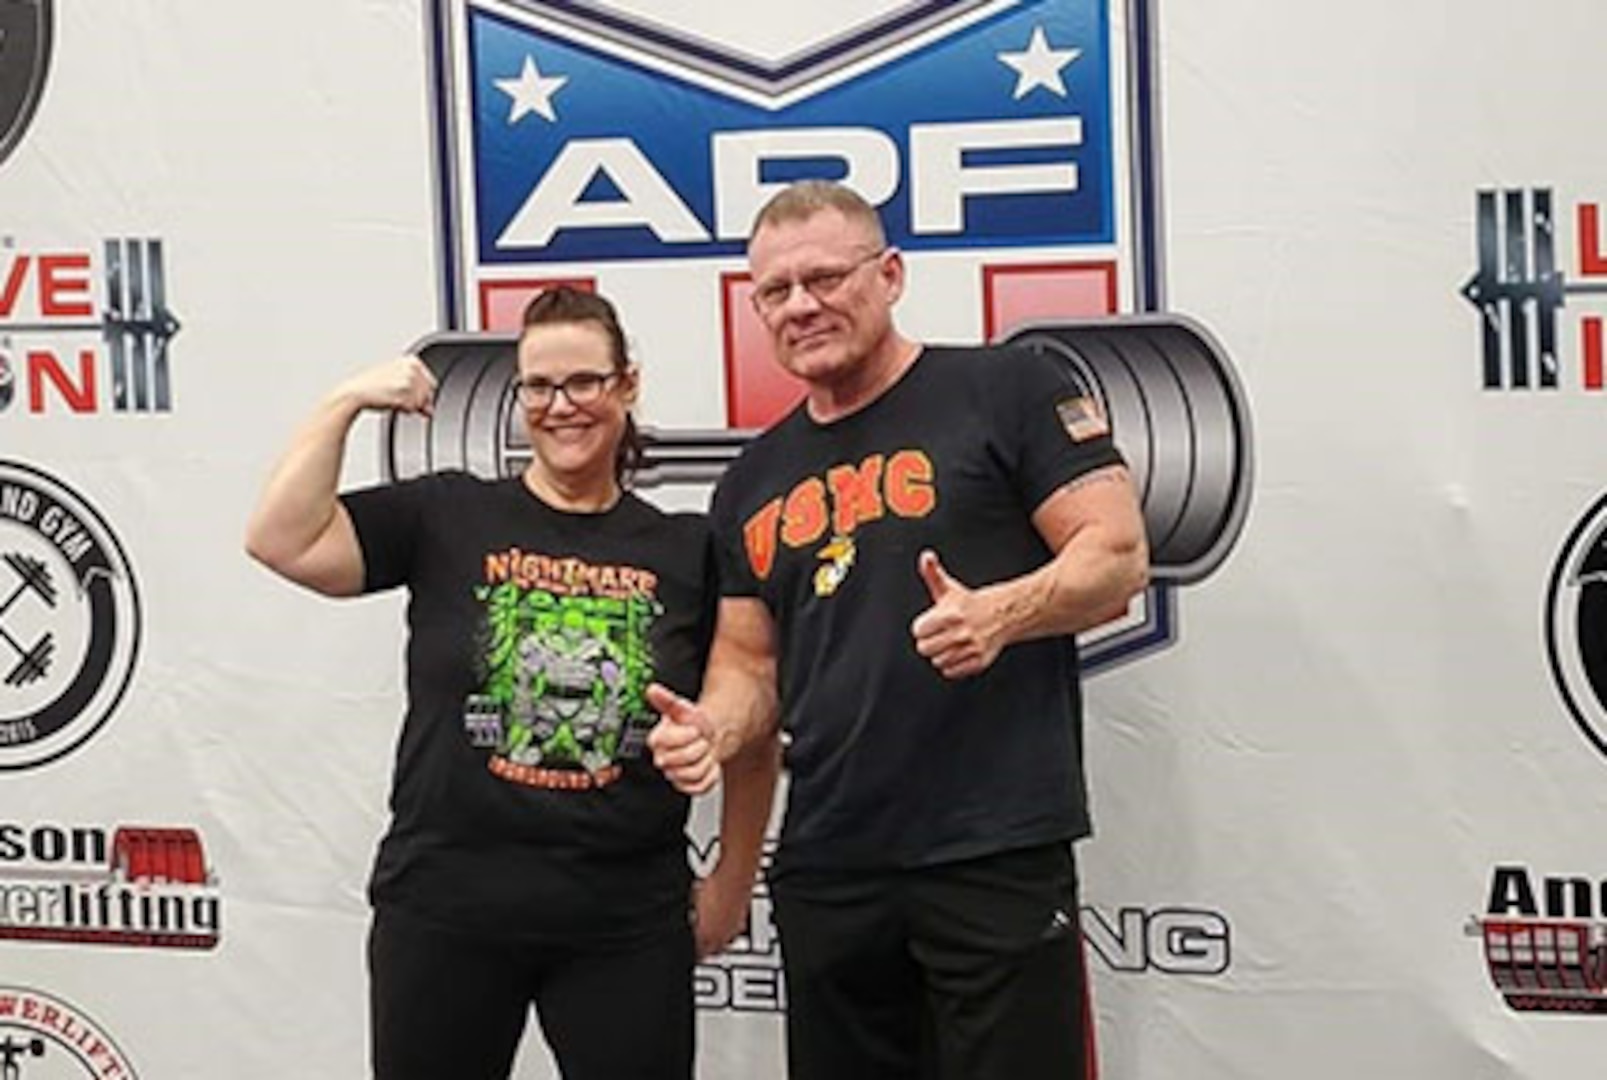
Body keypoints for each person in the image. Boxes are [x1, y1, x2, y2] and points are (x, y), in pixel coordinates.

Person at [647, 180, 1149, 1080]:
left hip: (988, 850)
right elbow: (748, 665)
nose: (801, 305)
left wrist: (1001, 611)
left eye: (825, 278)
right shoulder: (751, 479)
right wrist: (711, 731)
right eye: (775, 291)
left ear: (889, 274)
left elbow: (1115, 554)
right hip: (830, 865)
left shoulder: (1007, 387)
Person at [244, 285, 776, 1080]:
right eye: (539, 386)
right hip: (445, 907)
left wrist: (732, 881)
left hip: (623, 920)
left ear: (627, 385)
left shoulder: (687, 546)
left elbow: (751, 709)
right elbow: (280, 540)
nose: (561, 406)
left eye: (585, 382)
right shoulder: (446, 513)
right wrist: (345, 401)